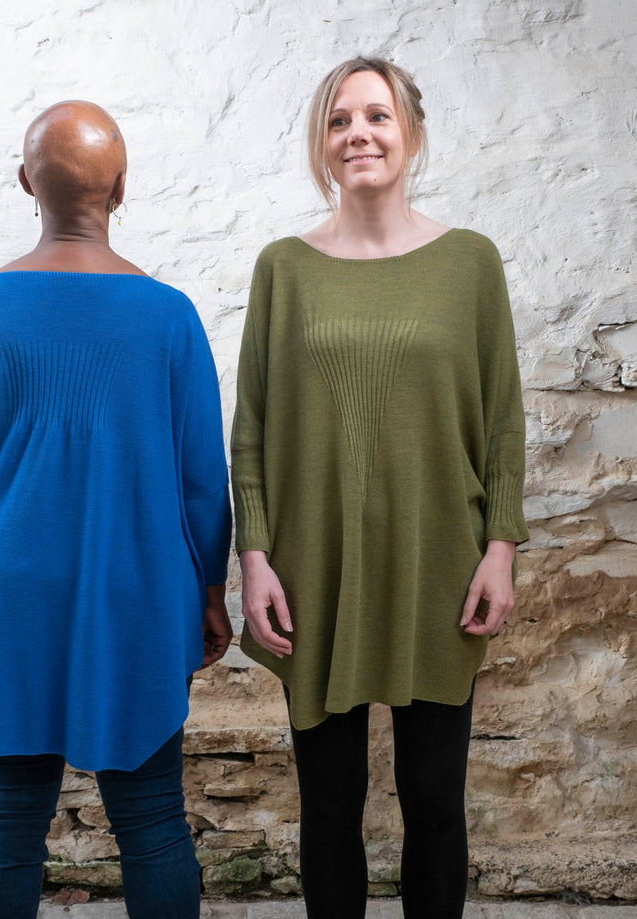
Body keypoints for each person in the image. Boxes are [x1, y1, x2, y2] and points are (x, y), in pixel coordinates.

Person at [0, 100, 232, 919]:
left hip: (4, 590)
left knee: (11, 816)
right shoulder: (170, 316)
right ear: (121, 187)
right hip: (135, 587)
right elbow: (203, 479)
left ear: (26, 182)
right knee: (154, 819)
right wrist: (209, 593)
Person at [231, 57, 528, 919]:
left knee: (435, 803)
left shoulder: (470, 263)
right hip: (314, 567)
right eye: (338, 120)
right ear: (322, 146)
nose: (357, 133)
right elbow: (251, 425)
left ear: (412, 134)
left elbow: (502, 420)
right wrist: (254, 556)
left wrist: (500, 548)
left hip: (438, 562)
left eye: (377, 115)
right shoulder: (283, 268)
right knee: (329, 806)